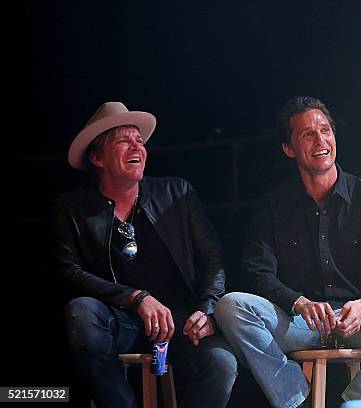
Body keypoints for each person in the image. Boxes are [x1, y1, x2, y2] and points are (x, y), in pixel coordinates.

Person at [214, 96, 361, 407]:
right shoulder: (274, 206)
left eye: (325, 130)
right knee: (230, 305)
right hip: (300, 323)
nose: (320, 140)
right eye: (308, 134)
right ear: (288, 148)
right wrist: (298, 302)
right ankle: (297, 399)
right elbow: (257, 272)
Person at [52, 102, 237, 408]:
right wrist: (136, 298)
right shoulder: (71, 208)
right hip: (119, 321)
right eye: (123, 141)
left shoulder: (176, 193)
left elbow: (212, 256)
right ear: (97, 158)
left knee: (222, 363)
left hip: (178, 320)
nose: (136, 146)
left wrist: (207, 309)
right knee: (81, 312)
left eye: (139, 140)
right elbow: (67, 273)